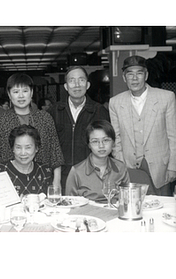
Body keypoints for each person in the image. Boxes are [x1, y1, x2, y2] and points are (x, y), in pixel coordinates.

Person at [109, 55, 176, 196]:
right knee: (133, 209)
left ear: (146, 76)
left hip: (160, 168)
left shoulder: (166, 97)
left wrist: (173, 167)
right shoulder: (115, 102)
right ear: (124, 77)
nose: (134, 78)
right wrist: (121, 167)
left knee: (162, 209)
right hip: (129, 167)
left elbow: (173, 135)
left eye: (139, 73)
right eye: (130, 74)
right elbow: (116, 139)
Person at [0, 73, 64, 188]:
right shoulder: (1, 121)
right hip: (10, 183)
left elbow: (55, 152)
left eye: (25, 91)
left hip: (42, 180)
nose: (21, 96)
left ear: (31, 92)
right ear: (9, 94)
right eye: (16, 92)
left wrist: (57, 182)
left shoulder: (45, 118)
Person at [49, 66, 110, 193]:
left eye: (81, 80)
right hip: (62, 176)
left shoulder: (99, 111)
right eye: (72, 80)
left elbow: (105, 144)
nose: (77, 85)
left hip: (91, 175)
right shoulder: (54, 111)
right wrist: (55, 178)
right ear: (66, 86)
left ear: (87, 84)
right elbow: (50, 147)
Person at [65, 120, 130, 201]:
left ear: (113, 143)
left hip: (115, 212)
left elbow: (127, 199)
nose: (101, 146)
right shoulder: (76, 171)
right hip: (86, 213)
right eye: (95, 141)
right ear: (89, 144)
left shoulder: (121, 167)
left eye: (106, 140)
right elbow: (69, 204)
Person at [0, 124, 53, 196]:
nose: (23, 153)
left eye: (28, 147)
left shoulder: (44, 170)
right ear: (12, 148)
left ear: (36, 148)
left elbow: (50, 202)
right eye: (18, 147)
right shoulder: (0, 170)